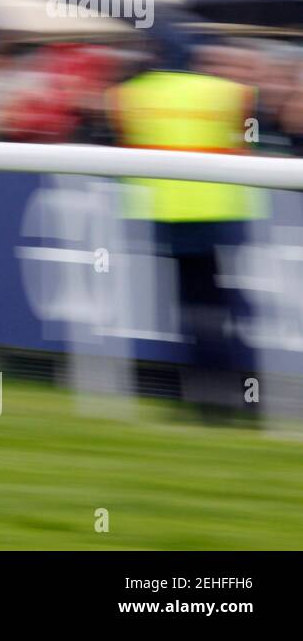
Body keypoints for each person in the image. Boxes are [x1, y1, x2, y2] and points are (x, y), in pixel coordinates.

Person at [109, 22, 261, 424]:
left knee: (193, 309)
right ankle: (247, 393)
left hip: (173, 215)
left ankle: (207, 397)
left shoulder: (132, 93)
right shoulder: (226, 91)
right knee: (232, 307)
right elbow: (247, 136)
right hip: (227, 211)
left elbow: (119, 131)